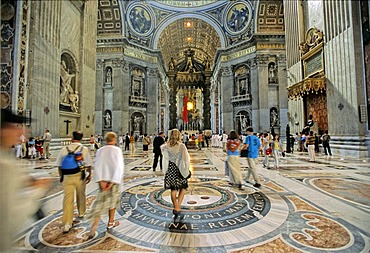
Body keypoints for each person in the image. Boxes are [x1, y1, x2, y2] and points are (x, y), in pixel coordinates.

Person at [0, 109, 50, 252]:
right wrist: (39, 190)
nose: (21, 132)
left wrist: (21, 180)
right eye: (15, 127)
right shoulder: (4, 165)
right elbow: (9, 217)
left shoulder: (7, 159)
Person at [87, 132, 124, 238]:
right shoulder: (117, 150)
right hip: (113, 181)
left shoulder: (100, 150)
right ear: (114, 139)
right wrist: (112, 182)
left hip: (103, 180)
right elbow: (119, 167)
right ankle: (110, 222)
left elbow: (97, 165)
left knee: (100, 202)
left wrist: (101, 181)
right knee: (112, 203)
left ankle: (93, 228)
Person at [55, 130, 93, 233]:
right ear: (81, 138)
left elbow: (59, 164)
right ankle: (81, 212)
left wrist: (61, 175)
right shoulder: (83, 149)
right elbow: (88, 164)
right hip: (79, 176)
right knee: (81, 194)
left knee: (68, 199)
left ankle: (67, 223)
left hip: (67, 176)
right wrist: (89, 174)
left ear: (72, 138)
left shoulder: (64, 149)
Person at [161, 129, 190, 218]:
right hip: (179, 169)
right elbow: (185, 159)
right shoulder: (181, 146)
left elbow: (165, 158)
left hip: (170, 169)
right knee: (183, 187)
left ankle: (176, 206)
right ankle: (178, 206)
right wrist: (186, 168)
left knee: (173, 189)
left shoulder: (165, 146)